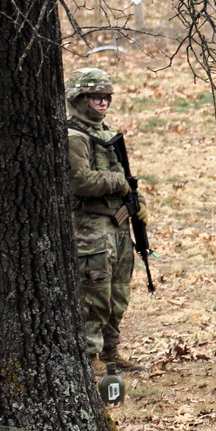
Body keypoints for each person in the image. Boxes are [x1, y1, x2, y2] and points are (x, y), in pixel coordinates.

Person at [65, 67, 146, 376]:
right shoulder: (74, 137)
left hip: (116, 225)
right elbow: (80, 181)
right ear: (78, 99)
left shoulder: (106, 133)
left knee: (118, 292)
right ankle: (89, 356)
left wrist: (138, 204)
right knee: (95, 294)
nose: (103, 103)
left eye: (106, 97)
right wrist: (118, 183)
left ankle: (110, 350)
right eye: (95, 97)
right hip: (90, 228)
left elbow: (127, 177)